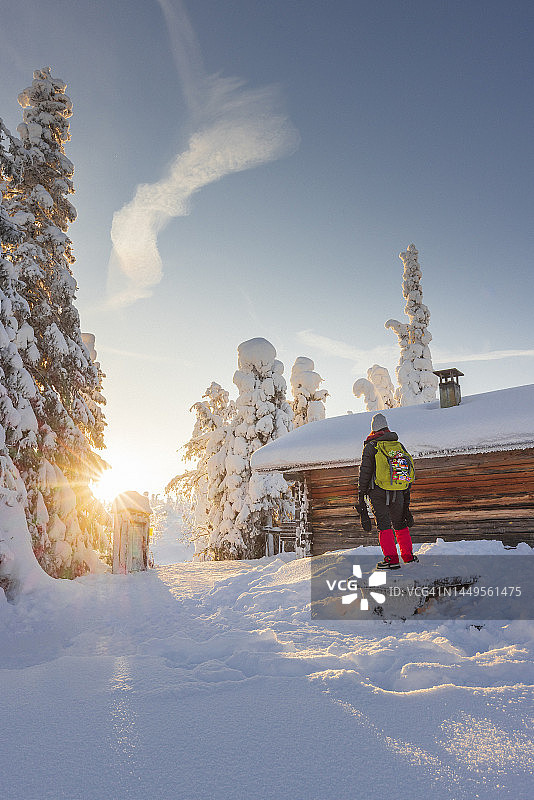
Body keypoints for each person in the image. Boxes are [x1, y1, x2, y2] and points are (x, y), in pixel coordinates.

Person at [357, 412, 418, 570]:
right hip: (398, 489)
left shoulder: (371, 446)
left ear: (373, 429)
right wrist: (405, 491)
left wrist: (361, 492)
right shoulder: (398, 445)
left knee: (384, 525)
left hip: (378, 492)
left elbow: (365, 472)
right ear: (387, 427)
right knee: (400, 523)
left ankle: (391, 560)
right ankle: (408, 557)